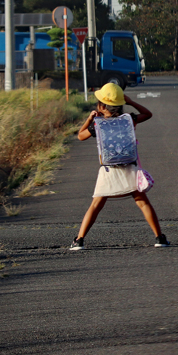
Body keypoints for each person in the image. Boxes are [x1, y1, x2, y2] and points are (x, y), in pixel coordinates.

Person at [70, 83, 167, 250]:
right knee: (143, 203)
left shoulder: (97, 124)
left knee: (95, 205)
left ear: (101, 106)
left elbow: (80, 136)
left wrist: (90, 119)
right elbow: (148, 114)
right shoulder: (129, 119)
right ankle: (159, 238)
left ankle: (79, 240)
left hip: (108, 170)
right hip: (130, 167)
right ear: (121, 104)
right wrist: (131, 102)